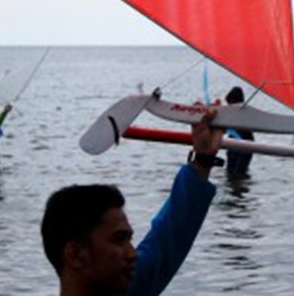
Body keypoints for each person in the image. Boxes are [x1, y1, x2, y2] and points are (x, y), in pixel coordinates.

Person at [41, 109, 224, 296]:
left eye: (129, 239)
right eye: (118, 240)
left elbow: (169, 236)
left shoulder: (127, 286)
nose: (132, 253)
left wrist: (203, 158)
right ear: (75, 254)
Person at [224, 86, 254, 179]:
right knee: (230, 172)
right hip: (232, 144)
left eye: (230, 104)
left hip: (245, 146)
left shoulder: (245, 114)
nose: (229, 106)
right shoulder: (231, 114)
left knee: (239, 174)